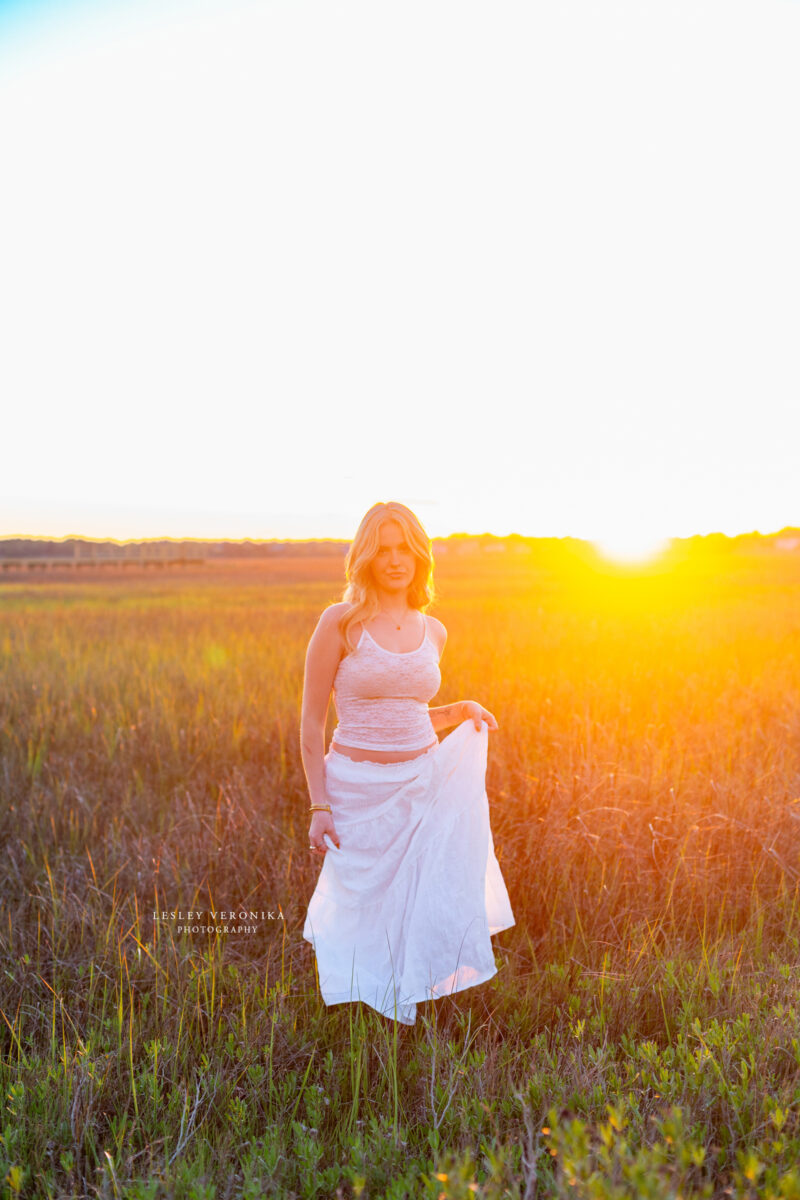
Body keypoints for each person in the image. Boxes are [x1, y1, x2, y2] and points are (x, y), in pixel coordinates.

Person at [301, 501, 515, 1026]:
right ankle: (357, 1019)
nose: (395, 560)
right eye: (383, 549)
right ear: (365, 556)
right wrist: (318, 803)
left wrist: (460, 710)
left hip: (422, 781)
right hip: (355, 790)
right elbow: (310, 722)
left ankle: (409, 1017)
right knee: (360, 907)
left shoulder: (434, 630)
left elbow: (408, 711)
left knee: (420, 900)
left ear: (420, 555)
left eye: (405, 548)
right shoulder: (341, 622)